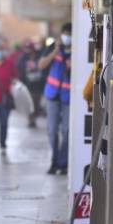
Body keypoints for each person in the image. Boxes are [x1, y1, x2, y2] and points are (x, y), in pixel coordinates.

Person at [38, 22, 72, 175]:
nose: (67, 37)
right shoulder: (53, 47)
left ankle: (63, 163)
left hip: (68, 97)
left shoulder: (78, 49)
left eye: (70, 35)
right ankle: (55, 160)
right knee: (52, 130)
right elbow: (41, 65)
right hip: (52, 95)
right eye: (65, 34)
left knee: (67, 130)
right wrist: (55, 51)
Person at [16, 40, 44, 128]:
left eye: (30, 48)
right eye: (27, 48)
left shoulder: (39, 56)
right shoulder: (22, 58)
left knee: (36, 103)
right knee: (28, 103)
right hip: (27, 85)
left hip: (38, 85)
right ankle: (30, 119)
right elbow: (19, 70)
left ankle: (34, 117)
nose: (28, 50)